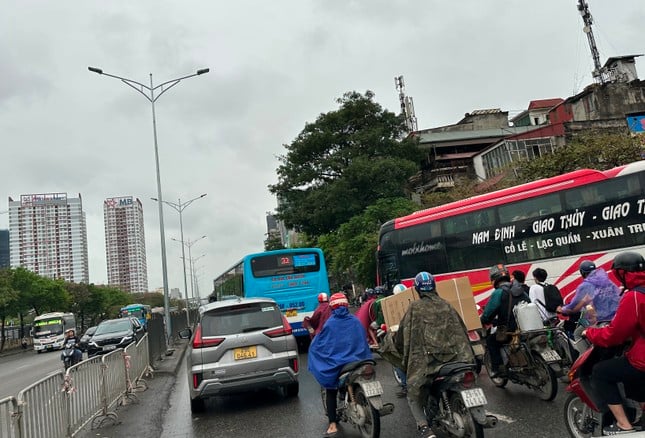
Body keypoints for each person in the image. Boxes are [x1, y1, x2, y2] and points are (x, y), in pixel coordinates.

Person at [393, 271, 474, 438]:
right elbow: (462, 329)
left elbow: (403, 333)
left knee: (413, 392)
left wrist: (395, 344)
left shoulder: (415, 307)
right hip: (457, 359)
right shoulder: (446, 304)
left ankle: (423, 427)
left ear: (417, 289)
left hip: (429, 363)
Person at [582, 251, 645, 435]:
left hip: (642, 356)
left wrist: (591, 333)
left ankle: (624, 424)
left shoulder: (633, 296)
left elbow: (613, 335)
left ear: (623, 273)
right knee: (630, 369)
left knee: (600, 372)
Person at [308, 292, 373, 438]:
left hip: (340, 365)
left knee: (330, 388)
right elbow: (362, 339)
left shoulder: (330, 323)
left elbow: (321, 344)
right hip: (360, 361)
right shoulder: (355, 321)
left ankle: (332, 424)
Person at [480, 263, 530, 378]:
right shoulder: (520, 289)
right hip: (527, 327)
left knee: (491, 341)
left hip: (510, 330)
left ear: (494, 280)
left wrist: (483, 320)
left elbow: (488, 314)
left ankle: (498, 369)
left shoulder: (499, 292)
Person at [557, 260, 620, 340]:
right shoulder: (607, 282)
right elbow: (619, 295)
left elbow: (574, 304)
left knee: (578, 333)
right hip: (616, 318)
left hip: (600, 319)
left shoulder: (586, 285)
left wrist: (562, 309)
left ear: (582, 273)